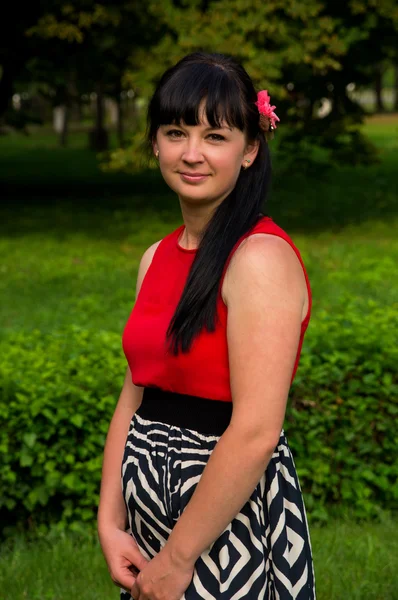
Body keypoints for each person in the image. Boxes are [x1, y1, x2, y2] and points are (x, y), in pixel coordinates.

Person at [97, 52, 316, 600]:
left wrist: (176, 559)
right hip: (149, 518)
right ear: (154, 143)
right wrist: (110, 521)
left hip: (223, 525)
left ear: (249, 150)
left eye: (215, 137)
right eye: (176, 132)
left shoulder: (259, 259)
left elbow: (256, 431)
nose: (191, 154)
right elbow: (135, 394)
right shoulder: (155, 257)